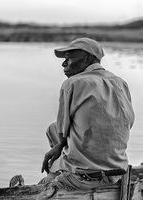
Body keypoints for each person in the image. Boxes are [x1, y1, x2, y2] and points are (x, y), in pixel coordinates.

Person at [39, 38, 135, 191]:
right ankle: (66, 166)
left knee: (53, 133)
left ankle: (62, 174)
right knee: (55, 128)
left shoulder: (72, 84)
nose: (64, 64)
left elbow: (62, 131)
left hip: (86, 176)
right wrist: (61, 145)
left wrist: (58, 147)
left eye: (69, 58)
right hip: (116, 172)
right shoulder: (121, 82)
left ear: (88, 58)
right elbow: (127, 123)